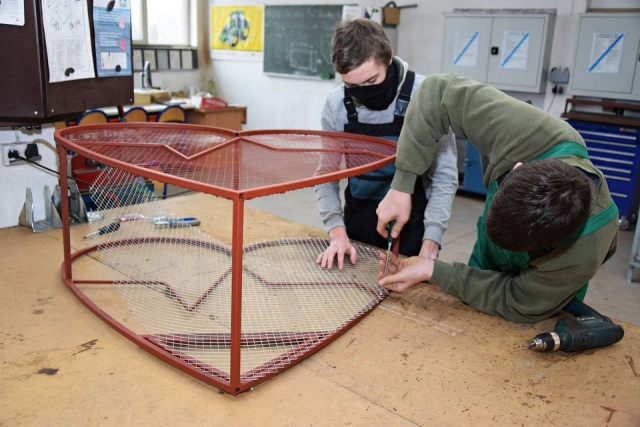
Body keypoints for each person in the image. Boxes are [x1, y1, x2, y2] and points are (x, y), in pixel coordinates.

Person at [376, 73, 619, 323]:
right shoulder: (522, 132)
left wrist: (435, 271)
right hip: (490, 254)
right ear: (516, 168)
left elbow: (520, 301)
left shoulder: (584, 248)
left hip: (541, 287)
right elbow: (437, 91)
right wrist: (402, 185)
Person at [315, 19, 458, 270]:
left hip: (415, 227)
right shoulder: (337, 104)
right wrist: (336, 232)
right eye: (352, 86)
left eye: (371, 82)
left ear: (388, 56)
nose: (364, 92)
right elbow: (327, 174)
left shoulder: (424, 96)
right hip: (358, 221)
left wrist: (431, 241)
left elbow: (444, 176)